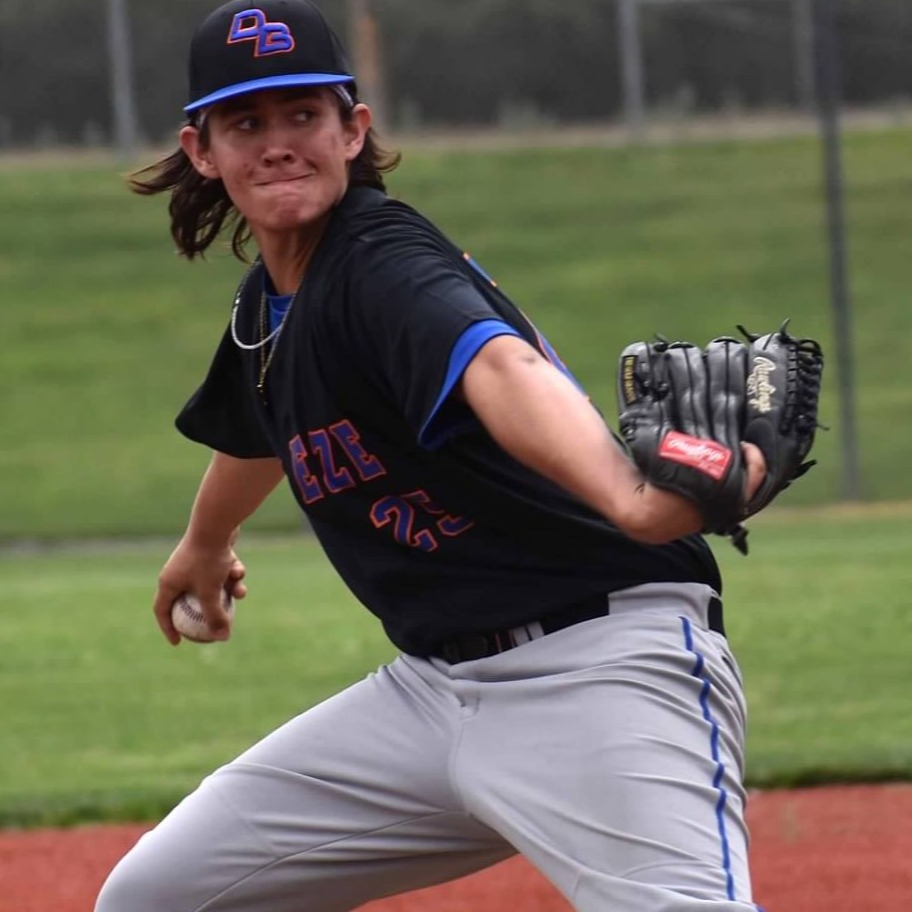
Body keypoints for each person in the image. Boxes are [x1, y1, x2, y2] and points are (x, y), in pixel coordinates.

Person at [95, 1, 768, 910]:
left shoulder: (379, 260)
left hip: (600, 666)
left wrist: (632, 497)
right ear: (203, 151)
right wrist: (205, 544)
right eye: (246, 122)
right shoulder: (271, 304)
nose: (279, 143)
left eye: (303, 114)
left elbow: (500, 365)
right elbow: (259, 428)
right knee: (156, 897)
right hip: (429, 694)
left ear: (352, 131)